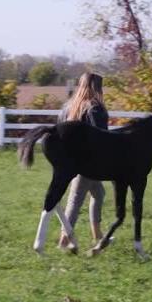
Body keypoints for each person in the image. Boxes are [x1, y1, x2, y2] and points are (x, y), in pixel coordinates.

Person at [56, 73, 109, 247]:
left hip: (71, 159)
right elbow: (101, 136)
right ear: (97, 88)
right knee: (76, 199)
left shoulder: (68, 107)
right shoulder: (95, 108)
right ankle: (64, 240)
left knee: (99, 194)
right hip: (89, 161)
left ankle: (97, 235)